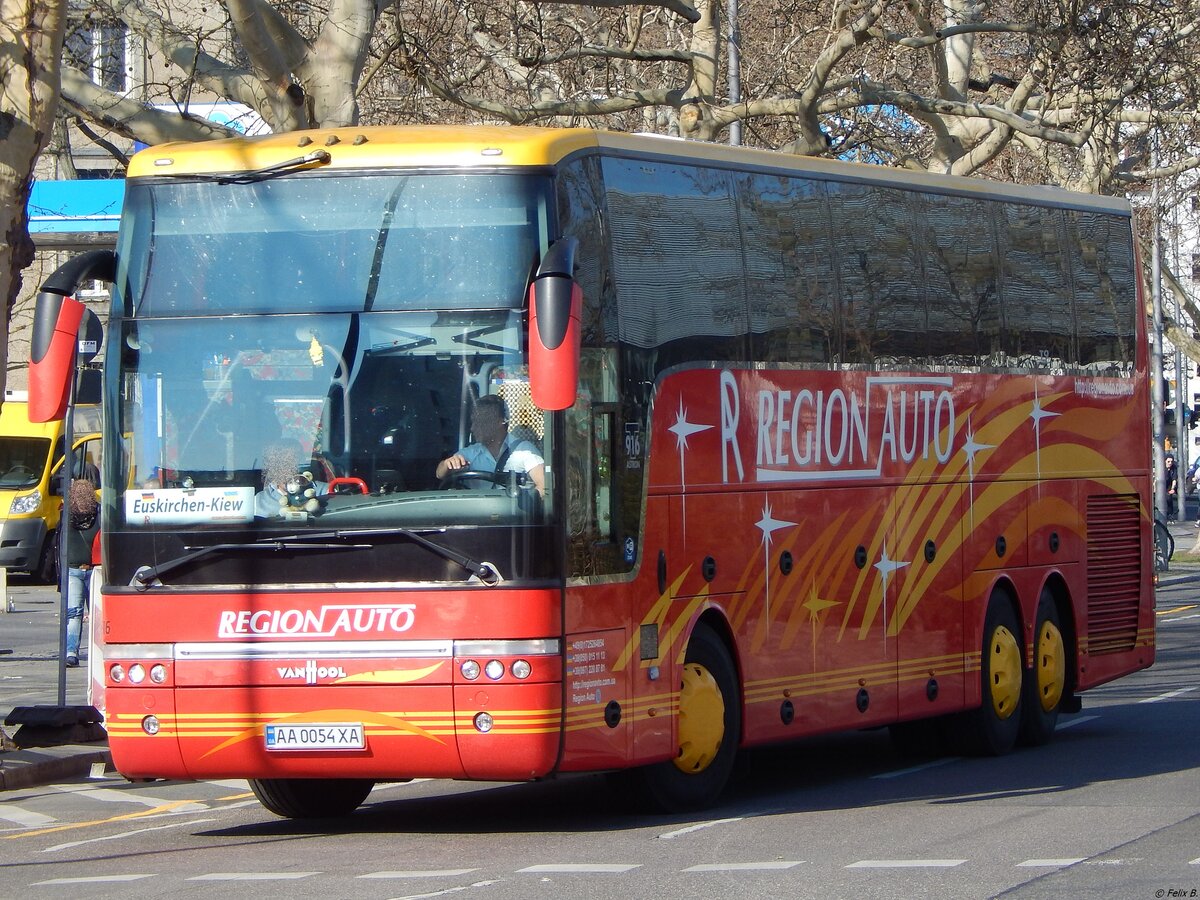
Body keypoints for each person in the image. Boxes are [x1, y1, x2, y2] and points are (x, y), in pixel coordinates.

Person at [435, 395, 545, 493]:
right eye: (474, 422)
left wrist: (527, 501)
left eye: (480, 422)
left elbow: (544, 487)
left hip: (514, 513)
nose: (473, 428)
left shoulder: (524, 451)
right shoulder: (471, 453)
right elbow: (439, 474)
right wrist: (447, 464)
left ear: (499, 421)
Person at [64, 479, 100, 667]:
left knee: (74, 613)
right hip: (92, 568)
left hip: (76, 569)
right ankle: (92, 651)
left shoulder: (66, 514)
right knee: (93, 613)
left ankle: (72, 652)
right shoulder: (100, 512)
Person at [255, 440, 327, 518]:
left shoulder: (324, 491)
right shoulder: (258, 501)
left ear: (302, 464)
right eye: (283, 464)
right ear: (273, 468)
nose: (291, 469)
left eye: (295, 462)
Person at [1164, 454, 1179, 522]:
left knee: (1169, 499)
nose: (1170, 463)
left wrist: (1173, 488)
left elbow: (1174, 479)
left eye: (1171, 461)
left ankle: (1170, 515)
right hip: (1162, 485)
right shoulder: (1162, 468)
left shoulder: (1173, 468)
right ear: (1165, 461)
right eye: (1168, 461)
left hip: (1169, 485)